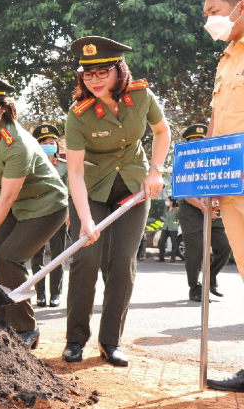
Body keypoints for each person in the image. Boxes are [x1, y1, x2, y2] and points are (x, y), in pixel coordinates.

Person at [62, 36, 170, 367]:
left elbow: (162, 132)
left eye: (102, 72)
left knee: (123, 262)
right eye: (87, 74)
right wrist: (85, 219)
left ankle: (111, 341)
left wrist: (155, 171)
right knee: (86, 259)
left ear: (118, 70)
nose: (94, 80)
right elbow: (76, 174)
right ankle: (75, 339)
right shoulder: (78, 115)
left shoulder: (141, 96)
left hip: (133, 188)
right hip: (91, 191)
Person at [0, 72, 69, 350]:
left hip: (45, 205)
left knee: (10, 257)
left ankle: (27, 328)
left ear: (2, 107)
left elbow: (8, 196)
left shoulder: (18, 143)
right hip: (17, 203)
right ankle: (1, 319)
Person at [197, 0, 244, 392]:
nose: (208, 21)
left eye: (213, 12)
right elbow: (216, 125)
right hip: (231, 184)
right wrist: (208, 173)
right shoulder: (228, 58)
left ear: (240, 6)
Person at [177, 124, 232, 302]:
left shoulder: (213, 160)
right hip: (191, 209)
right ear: (187, 142)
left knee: (224, 246)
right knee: (196, 249)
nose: (197, 144)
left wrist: (213, 206)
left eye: (200, 141)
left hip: (211, 208)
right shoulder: (182, 160)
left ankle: (211, 277)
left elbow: (220, 185)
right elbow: (184, 191)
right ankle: (195, 288)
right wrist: (203, 207)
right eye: (193, 141)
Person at [30, 123, 69, 308]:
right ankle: (40, 293)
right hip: (36, 214)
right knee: (36, 256)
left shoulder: (64, 166)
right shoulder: (31, 164)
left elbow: (71, 191)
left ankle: (55, 293)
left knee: (58, 255)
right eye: (44, 141)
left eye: (52, 140)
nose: (49, 143)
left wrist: (69, 213)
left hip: (58, 214)